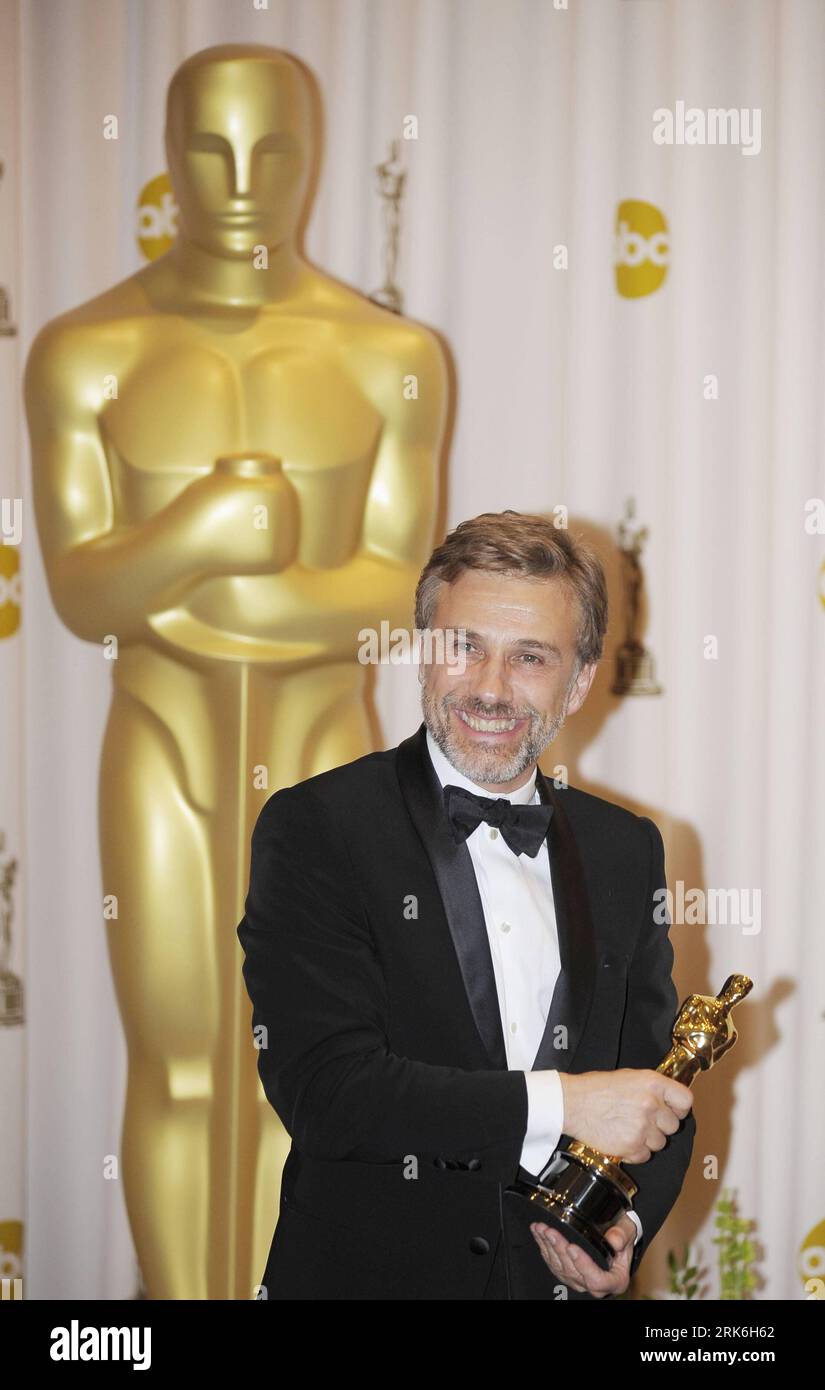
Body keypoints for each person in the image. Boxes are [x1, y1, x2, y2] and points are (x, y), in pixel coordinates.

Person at [236, 510, 696, 1300]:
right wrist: (568, 1102)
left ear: (580, 680)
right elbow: (329, 1092)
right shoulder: (318, 826)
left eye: (529, 658)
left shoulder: (627, 848)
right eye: (464, 646)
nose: (488, 687)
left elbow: (656, 1086)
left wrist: (622, 1224)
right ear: (422, 648)